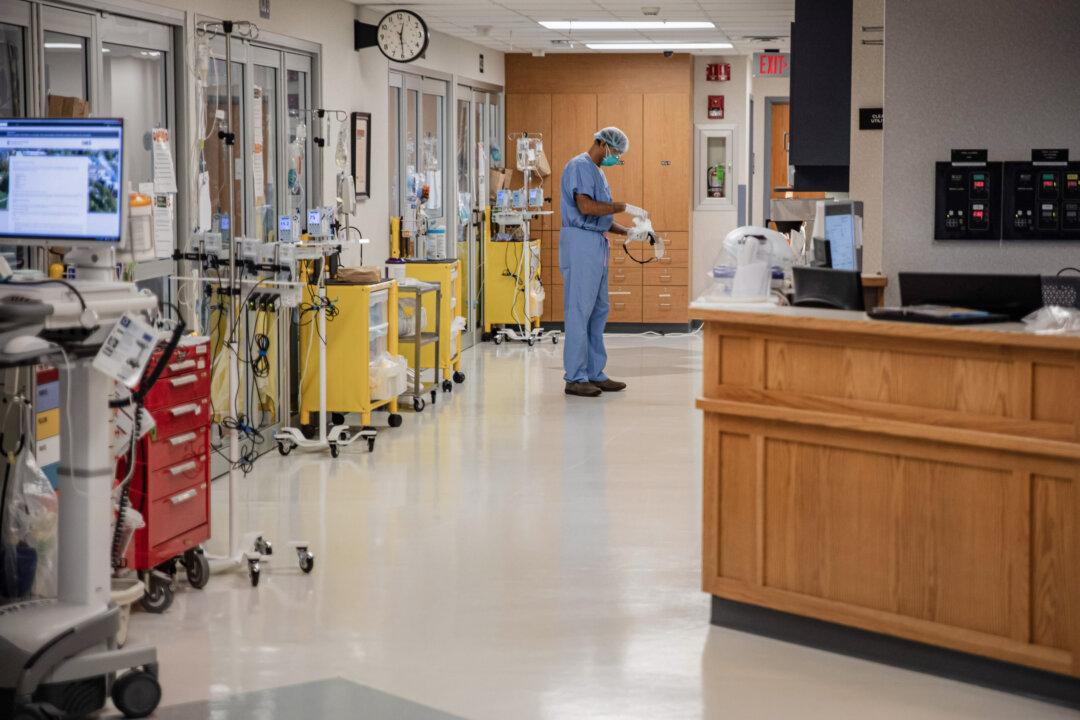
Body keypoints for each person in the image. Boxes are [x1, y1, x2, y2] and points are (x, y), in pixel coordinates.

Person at [559, 127, 648, 398]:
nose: (615, 157)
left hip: (596, 243)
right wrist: (624, 206)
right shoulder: (578, 166)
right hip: (580, 244)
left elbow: (602, 220)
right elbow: (586, 208)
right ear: (600, 142)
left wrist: (631, 233)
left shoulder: (598, 171)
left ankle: (595, 373)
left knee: (598, 310)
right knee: (579, 310)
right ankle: (575, 377)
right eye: (614, 152)